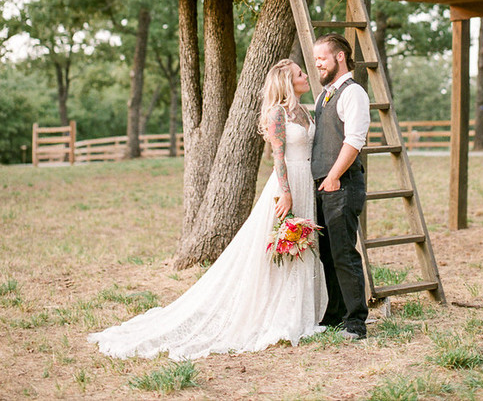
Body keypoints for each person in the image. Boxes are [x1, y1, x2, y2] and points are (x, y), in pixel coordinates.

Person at [88, 60, 326, 360]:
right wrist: (287, 193)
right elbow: (278, 156)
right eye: (300, 74)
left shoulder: (304, 111)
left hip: (308, 183)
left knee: (302, 246)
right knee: (281, 246)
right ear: (287, 82)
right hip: (287, 184)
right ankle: (279, 314)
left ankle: (302, 311)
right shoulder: (277, 113)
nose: (306, 75)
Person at [312, 33, 371, 340]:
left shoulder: (353, 93)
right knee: (327, 253)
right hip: (323, 185)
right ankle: (334, 315)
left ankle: (356, 322)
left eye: (322, 57)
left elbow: (354, 140)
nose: (317, 63)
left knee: (344, 253)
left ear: (339, 57)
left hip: (342, 183)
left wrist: (334, 176)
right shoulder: (325, 94)